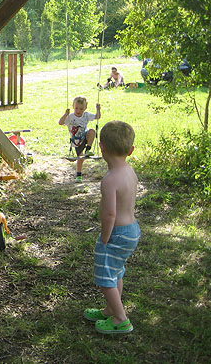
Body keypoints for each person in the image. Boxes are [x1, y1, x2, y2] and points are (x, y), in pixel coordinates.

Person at [83, 120, 140, 334]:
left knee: (105, 278)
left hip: (116, 233)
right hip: (132, 230)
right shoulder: (130, 172)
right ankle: (110, 309)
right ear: (131, 150)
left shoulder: (109, 180)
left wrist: (105, 237)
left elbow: (109, 214)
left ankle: (120, 319)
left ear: (102, 147)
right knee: (116, 272)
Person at [58, 96, 101, 182]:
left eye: (81, 109)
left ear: (85, 108)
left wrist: (98, 109)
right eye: (76, 108)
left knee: (92, 131)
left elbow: (97, 117)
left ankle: (88, 149)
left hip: (85, 136)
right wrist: (65, 114)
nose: (78, 111)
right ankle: (78, 175)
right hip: (77, 141)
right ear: (73, 107)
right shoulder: (70, 117)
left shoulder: (86, 115)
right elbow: (60, 122)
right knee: (80, 158)